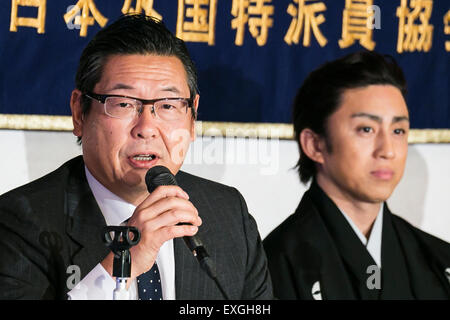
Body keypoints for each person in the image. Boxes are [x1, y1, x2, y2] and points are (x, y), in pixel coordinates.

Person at [0, 14, 273, 300]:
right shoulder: (20, 222)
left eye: (168, 105)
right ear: (79, 112)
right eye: (123, 104)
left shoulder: (226, 214)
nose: (146, 129)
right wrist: (124, 263)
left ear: (193, 118)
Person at [263, 51, 450, 300]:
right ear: (315, 145)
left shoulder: (438, 260)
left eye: (398, 130)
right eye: (366, 129)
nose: (388, 150)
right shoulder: (274, 263)